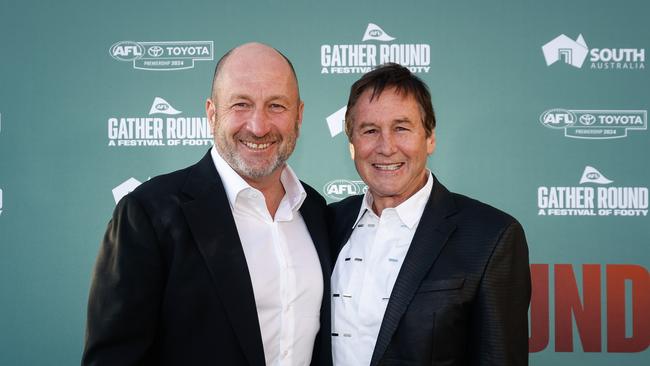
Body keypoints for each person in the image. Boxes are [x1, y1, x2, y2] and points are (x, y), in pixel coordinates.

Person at [82, 43, 332, 366]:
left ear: (298, 116)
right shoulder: (147, 214)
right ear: (212, 114)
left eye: (276, 106)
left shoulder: (315, 211)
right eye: (241, 104)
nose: (258, 126)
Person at [329, 63, 530, 366]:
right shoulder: (326, 224)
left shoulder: (491, 237)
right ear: (352, 145)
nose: (386, 147)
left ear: (430, 137)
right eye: (370, 130)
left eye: (401, 128)